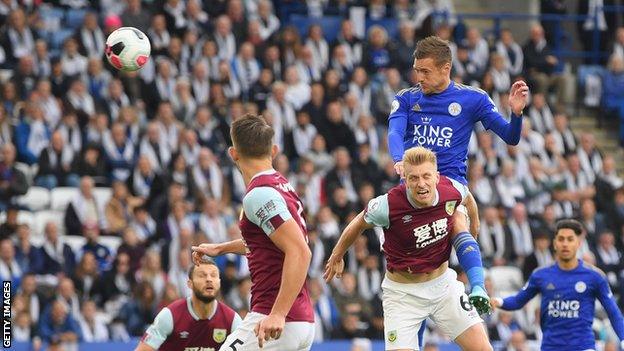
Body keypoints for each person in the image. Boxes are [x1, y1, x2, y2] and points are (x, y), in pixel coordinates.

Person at [325, 147, 492, 351]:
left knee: (483, 348)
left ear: (437, 177)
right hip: (403, 296)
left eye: (426, 176)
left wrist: (474, 226)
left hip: (443, 287)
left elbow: (468, 198)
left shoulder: (452, 190)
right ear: (405, 178)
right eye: (413, 178)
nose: (421, 184)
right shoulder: (388, 204)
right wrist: (338, 254)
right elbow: (358, 222)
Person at [192, 114, 315, 350]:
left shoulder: (259, 195)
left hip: (273, 319)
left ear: (233, 154)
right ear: (274, 150)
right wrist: (221, 248)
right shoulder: (281, 184)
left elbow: (300, 251)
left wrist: (278, 314)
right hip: (299, 320)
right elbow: (268, 243)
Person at [387, 36, 529, 235]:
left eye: (425, 72)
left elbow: (510, 137)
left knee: (458, 226)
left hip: (451, 183)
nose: (419, 78)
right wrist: (399, 159)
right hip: (414, 186)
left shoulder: (474, 99)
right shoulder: (406, 98)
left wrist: (516, 114)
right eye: (417, 70)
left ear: (445, 68)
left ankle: (474, 267)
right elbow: (395, 131)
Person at [491, 219, 624, 351]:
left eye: (570, 239)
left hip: (583, 347)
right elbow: (517, 301)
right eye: (561, 239)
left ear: (578, 243)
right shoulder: (540, 275)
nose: (565, 244)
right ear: (555, 243)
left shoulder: (595, 276)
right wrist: (497, 301)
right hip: (551, 347)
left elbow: (613, 312)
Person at [135, 259, 242, 351]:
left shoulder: (232, 320)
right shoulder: (170, 315)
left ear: (219, 282)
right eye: (202, 275)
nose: (209, 279)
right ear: (190, 284)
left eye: (213, 275)